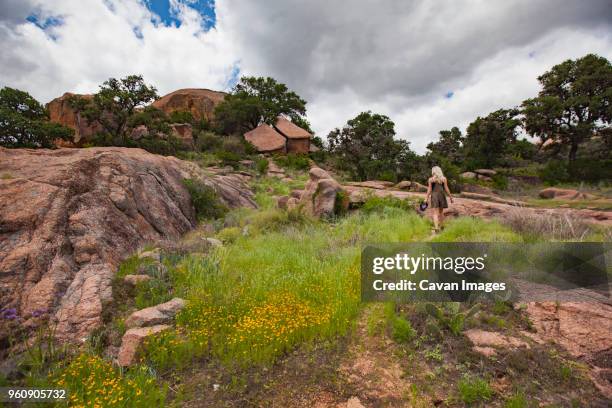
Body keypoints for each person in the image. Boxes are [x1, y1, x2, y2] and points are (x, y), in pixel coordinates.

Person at [426, 166, 453, 232]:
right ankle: (442, 226)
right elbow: (446, 188)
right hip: (441, 195)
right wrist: (450, 197)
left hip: (434, 196)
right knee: (441, 212)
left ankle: (436, 228)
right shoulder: (444, 179)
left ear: (433, 171)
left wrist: (426, 198)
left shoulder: (431, 179)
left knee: (435, 213)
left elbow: (429, 189)